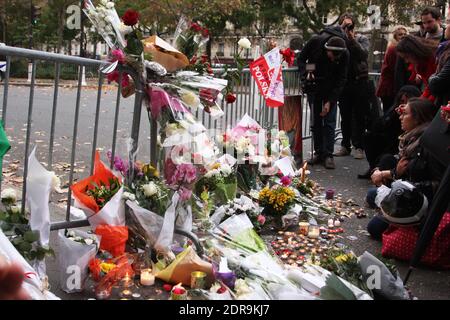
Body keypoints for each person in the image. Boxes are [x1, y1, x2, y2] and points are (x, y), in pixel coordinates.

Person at [365, 98, 440, 239]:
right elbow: (405, 171)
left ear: (418, 118)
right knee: (372, 194)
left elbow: (437, 184)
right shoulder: (412, 138)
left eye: (405, 113)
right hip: (406, 190)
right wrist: (392, 174)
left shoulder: (428, 144)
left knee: (374, 228)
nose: (400, 117)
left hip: (418, 201)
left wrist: (405, 186)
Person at [298, 27, 349, 170]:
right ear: (327, 49)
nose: (333, 59)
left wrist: (331, 101)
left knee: (330, 122)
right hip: (314, 86)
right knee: (316, 121)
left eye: (336, 58)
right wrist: (306, 75)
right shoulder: (315, 42)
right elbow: (301, 59)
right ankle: (319, 152)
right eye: (332, 56)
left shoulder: (345, 53)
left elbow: (342, 78)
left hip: (331, 88)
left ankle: (328, 155)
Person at [359, 85, 421, 179]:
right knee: (369, 137)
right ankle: (374, 169)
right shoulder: (395, 109)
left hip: (401, 146)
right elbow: (379, 125)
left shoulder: (418, 113)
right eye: (402, 101)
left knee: (387, 158)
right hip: (390, 140)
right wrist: (392, 116)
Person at [334, 13, 370, 160]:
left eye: (350, 25)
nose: (347, 28)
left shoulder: (361, 39)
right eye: (344, 25)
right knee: (345, 116)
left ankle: (359, 146)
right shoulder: (338, 40)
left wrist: (351, 38)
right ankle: (345, 145)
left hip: (359, 81)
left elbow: (363, 54)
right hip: (344, 83)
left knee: (359, 116)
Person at [396, 35, 438, 102]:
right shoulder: (421, 63)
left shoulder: (431, 60)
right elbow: (430, 87)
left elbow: (435, 88)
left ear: (414, 52)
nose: (406, 61)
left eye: (406, 57)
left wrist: (420, 103)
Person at [376, 26, 408, 113]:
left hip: (391, 87)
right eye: (400, 34)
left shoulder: (397, 48)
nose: (403, 36)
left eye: (405, 34)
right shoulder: (394, 49)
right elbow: (395, 70)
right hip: (389, 89)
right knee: (390, 113)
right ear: (395, 37)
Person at [429, 13, 450, 108]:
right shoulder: (446, 48)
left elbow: (437, 83)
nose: (445, 26)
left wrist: (431, 77)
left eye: (449, 22)